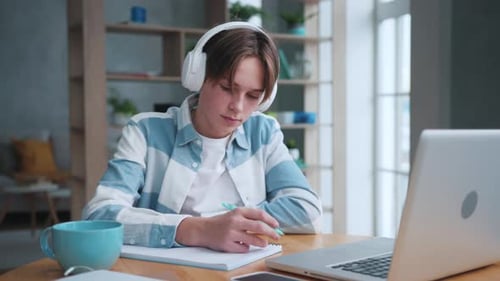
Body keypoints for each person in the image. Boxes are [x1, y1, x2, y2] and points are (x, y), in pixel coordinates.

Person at [83, 21, 322, 253]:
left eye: (253, 96)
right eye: (227, 88)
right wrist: (201, 229)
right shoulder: (146, 131)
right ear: (197, 77)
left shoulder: (263, 131)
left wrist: (234, 224)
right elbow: (100, 215)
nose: (237, 107)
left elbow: (307, 208)